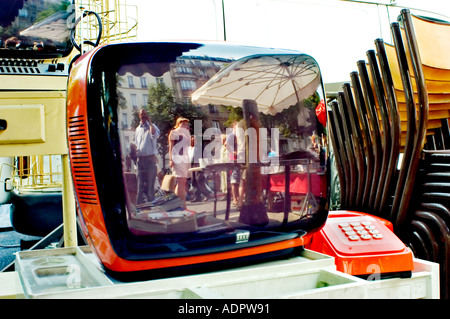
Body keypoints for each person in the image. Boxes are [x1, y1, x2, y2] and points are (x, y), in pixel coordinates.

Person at [135, 108, 160, 204]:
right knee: (140, 185)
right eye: (142, 114)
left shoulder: (152, 126)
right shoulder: (138, 129)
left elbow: (154, 135)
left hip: (150, 159)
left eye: (145, 114)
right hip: (140, 160)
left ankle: (152, 205)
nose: (143, 115)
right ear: (139, 116)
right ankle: (139, 206)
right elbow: (138, 144)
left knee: (150, 185)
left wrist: (150, 122)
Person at [168, 117, 192, 207]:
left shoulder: (186, 133)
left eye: (186, 124)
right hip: (177, 157)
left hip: (185, 158)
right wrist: (171, 159)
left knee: (183, 182)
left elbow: (189, 145)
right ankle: (181, 205)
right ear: (178, 124)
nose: (185, 125)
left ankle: (181, 204)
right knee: (181, 180)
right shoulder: (173, 132)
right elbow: (171, 147)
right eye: (183, 124)